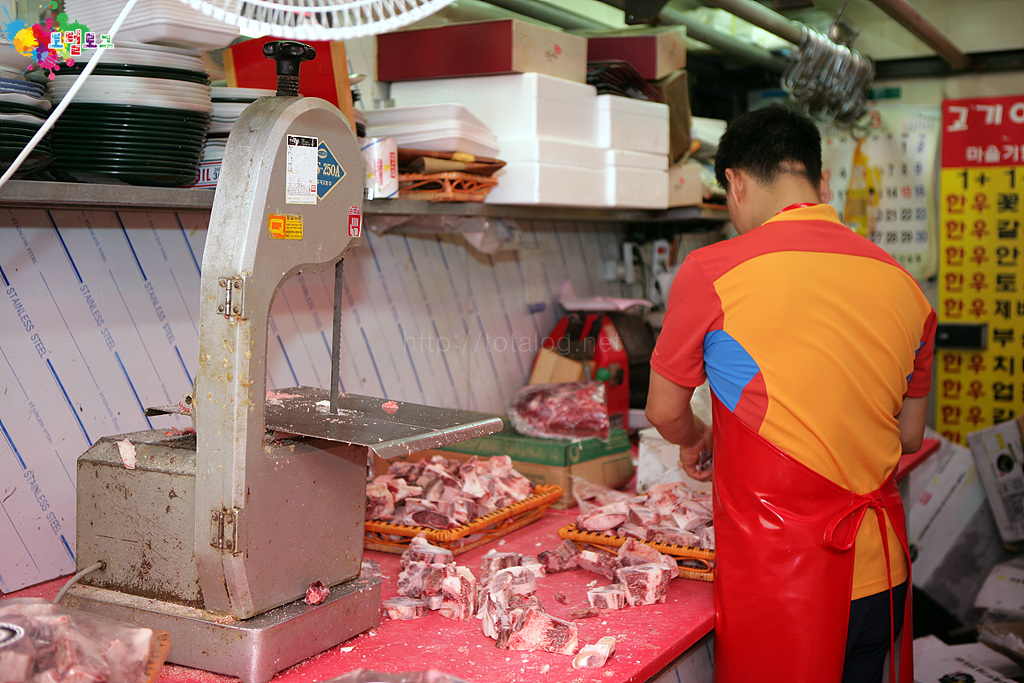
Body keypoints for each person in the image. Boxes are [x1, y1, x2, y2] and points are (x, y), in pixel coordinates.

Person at [646, 104, 936, 683]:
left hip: (782, 583)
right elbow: (908, 437)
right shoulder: (906, 286)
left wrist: (698, 437)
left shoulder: (712, 271)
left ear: (736, 183)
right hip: (881, 572)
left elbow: (663, 410)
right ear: (821, 182)